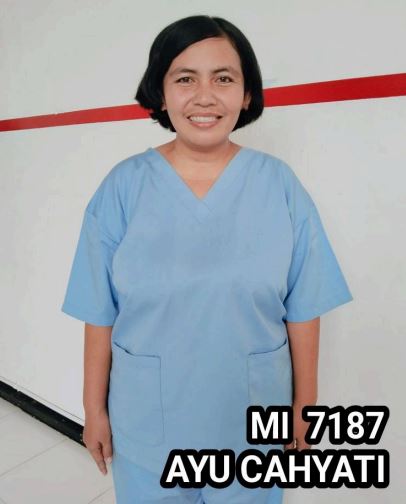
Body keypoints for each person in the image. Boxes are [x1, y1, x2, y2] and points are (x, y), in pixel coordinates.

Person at [61, 14, 353, 504]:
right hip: (146, 428)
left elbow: (304, 310)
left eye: (223, 78)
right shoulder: (123, 188)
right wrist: (94, 410)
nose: (204, 96)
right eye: (184, 79)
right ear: (160, 93)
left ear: (247, 94)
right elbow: (99, 312)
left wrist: (305, 408)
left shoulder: (280, 186)